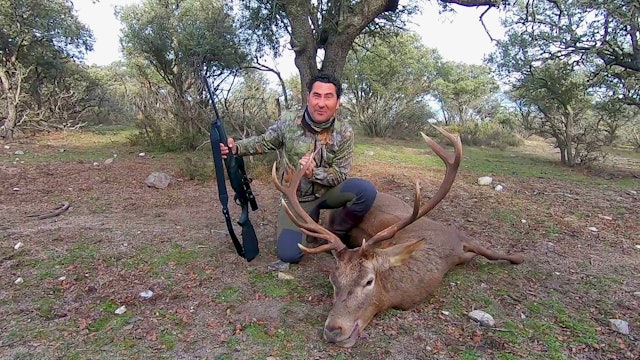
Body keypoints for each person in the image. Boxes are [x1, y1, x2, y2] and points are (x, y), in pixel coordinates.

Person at [220, 73, 377, 270]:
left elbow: (340, 174)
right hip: (297, 198)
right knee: (289, 255)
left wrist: (314, 173)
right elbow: (265, 141)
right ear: (308, 97)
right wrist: (236, 148)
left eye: (328, 97)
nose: (321, 103)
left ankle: (335, 232)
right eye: (316, 95)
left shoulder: (344, 132)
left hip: (327, 192)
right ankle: (308, 218)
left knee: (365, 191)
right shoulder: (288, 120)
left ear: (338, 102)